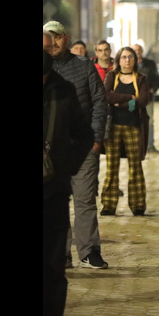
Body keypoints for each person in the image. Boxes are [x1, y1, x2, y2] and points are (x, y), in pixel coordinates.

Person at [43, 21, 109, 270]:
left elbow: (100, 104)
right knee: (54, 204)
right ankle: (60, 254)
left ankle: (89, 251)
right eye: (49, 38)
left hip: (82, 147)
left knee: (84, 201)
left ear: (66, 39)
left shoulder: (84, 67)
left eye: (57, 37)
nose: (54, 43)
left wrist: (95, 140)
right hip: (49, 152)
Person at [43, 50, 93, 316]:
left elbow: (84, 134)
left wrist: (65, 170)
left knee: (52, 267)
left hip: (53, 193)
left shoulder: (63, 92)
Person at [101, 46, 151, 216]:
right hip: (113, 127)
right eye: (124, 57)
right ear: (118, 60)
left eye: (130, 57)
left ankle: (138, 204)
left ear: (135, 60)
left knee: (135, 166)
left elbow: (143, 100)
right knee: (111, 167)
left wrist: (119, 102)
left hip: (134, 127)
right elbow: (106, 95)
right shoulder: (112, 76)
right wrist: (130, 99)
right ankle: (108, 204)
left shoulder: (141, 79)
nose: (127, 60)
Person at [132, 43, 159, 154]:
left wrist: (152, 89)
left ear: (142, 51)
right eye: (135, 50)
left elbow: (157, 79)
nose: (137, 52)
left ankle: (150, 146)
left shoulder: (150, 64)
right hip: (133, 99)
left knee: (149, 122)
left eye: (139, 50)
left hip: (148, 98)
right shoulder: (127, 64)